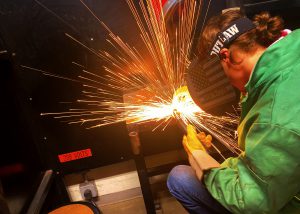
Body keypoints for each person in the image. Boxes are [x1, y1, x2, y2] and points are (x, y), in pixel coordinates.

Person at [167, 9, 300, 214]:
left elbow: (250, 201)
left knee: (180, 179)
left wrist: (199, 156)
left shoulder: (274, 119)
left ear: (226, 57)